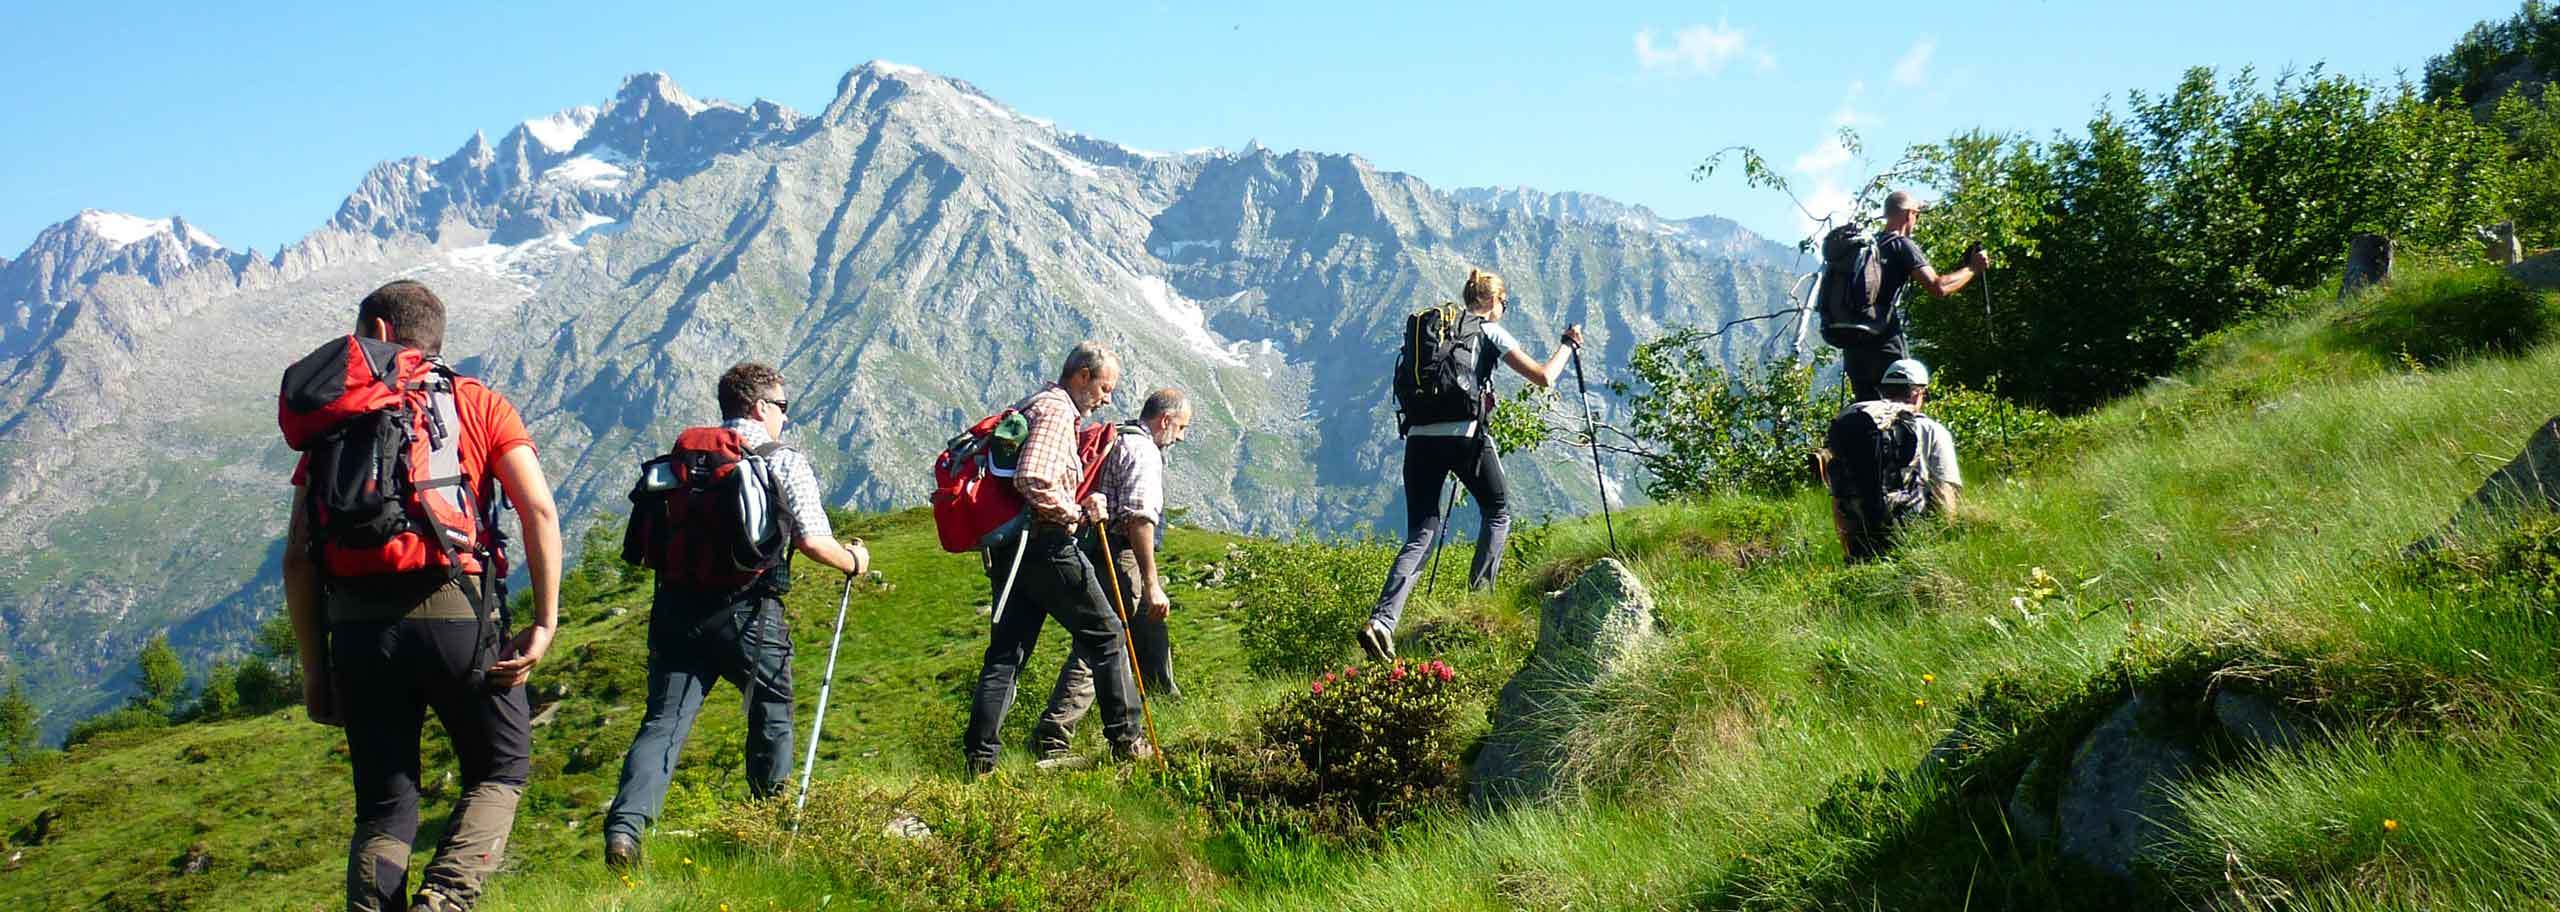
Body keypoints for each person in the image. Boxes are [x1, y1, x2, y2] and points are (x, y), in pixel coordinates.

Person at [281, 279, 565, 912]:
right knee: (499, 768)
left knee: (384, 805)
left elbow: (298, 557)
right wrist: (544, 622)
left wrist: (316, 670)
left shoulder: (335, 421)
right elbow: (539, 511)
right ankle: (446, 899)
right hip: (457, 614)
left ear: (379, 332)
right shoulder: (477, 402)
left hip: (357, 627)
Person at [603, 362, 871, 870]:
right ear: (760, 406)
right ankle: (768, 830)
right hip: (749, 613)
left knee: (663, 722)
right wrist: (854, 561)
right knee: (770, 710)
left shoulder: (685, 460)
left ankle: (625, 830)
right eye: (783, 407)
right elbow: (813, 541)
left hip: (675, 609)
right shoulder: (780, 459)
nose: (786, 418)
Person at [1361, 269, 1584, 662]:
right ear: (1493, 301)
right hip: (1464, 437)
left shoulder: (1436, 332)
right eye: (1505, 303)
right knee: (1498, 512)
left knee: (1421, 533)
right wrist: (1568, 345)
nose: (1503, 309)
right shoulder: (1489, 331)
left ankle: (1382, 621)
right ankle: (1480, 599)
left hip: (1418, 438)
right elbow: (1544, 377)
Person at [963, 341, 1153, 777]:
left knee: (1006, 654)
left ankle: (980, 762)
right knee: (1108, 635)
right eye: (1104, 388)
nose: (1106, 399)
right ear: (1082, 376)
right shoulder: (1055, 411)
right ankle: (1128, 741)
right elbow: (1033, 478)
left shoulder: (1033, 404)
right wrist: (1076, 512)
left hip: (1012, 549)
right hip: (1046, 545)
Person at [1032, 387, 1193, 760]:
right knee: (1102, 641)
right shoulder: (1143, 451)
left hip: (1096, 549)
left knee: (1147, 631)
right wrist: (1151, 583)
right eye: (1181, 427)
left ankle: (1166, 706)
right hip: (1121, 556)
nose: (1181, 437)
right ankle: (1053, 734)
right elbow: (1139, 519)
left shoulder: (1119, 437)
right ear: (1165, 420)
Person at [1842, 191, 1992, 401]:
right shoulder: (1900, 244)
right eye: (1917, 215)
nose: (1916, 220)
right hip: (1884, 343)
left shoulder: (1867, 247)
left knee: (1867, 408)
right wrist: (1973, 269)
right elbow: (1938, 287)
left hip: (1853, 347)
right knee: (1905, 402)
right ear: (1909, 214)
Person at [1826, 358, 1963, 563]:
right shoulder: (1931, 430)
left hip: (1861, 541)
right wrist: (1947, 545)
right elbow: (1944, 492)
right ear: (1918, 393)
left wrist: (1849, 552)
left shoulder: (1854, 420)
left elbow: (1838, 496)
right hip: (1914, 541)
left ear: (1883, 391)